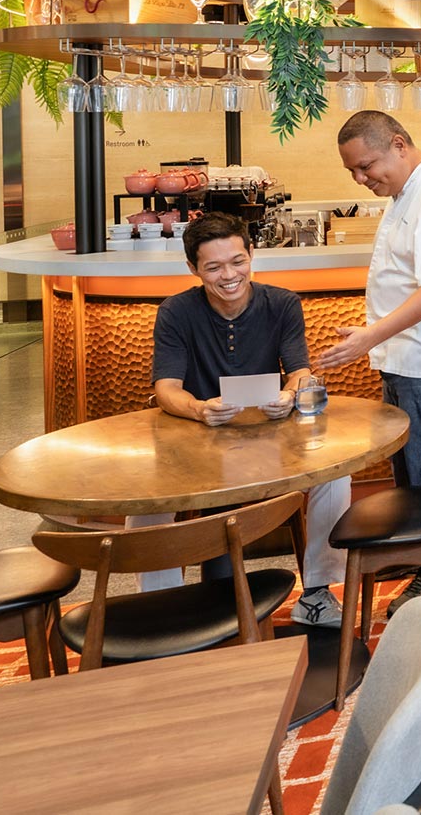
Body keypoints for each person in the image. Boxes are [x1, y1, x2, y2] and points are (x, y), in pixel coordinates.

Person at [141, 211, 347, 626]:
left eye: (238, 261)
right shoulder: (176, 312)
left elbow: (299, 370)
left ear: (252, 254)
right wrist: (200, 409)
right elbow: (166, 389)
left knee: (335, 473)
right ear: (193, 269)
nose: (229, 275)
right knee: (146, 501)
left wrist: (290, 394)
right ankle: (160, 609)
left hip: (270, 436)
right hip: (198, 442)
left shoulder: (282, 304)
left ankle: (318, 593)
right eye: (214, 267)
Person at [319, 110, 421, 614]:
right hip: (405, 352)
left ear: (398, 144)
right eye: (352, 171)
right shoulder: (407, 190)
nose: (360, 178)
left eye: (366, 166)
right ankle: (418, 549)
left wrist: (369, 336)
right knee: (409, 465)